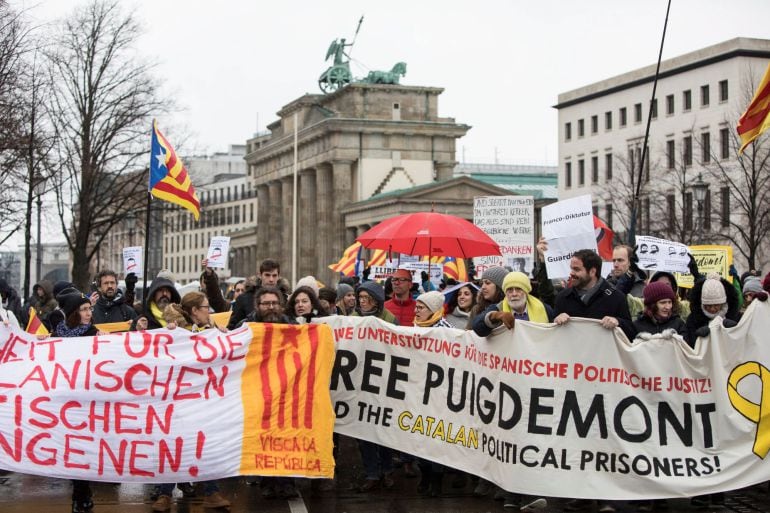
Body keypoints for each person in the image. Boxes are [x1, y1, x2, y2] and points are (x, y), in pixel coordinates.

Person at [151, 292, 231, 512]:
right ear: (195, 311)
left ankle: (211, 493)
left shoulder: (212, 331)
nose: (210, 311)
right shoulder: (174, 333)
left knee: (205, 446)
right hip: (176, 402)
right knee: (172, 445)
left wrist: (224, 336)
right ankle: (165, 494)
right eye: (206, 307)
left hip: (204, 402)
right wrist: (166, 335)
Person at [53, 290, 102, 513]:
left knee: (83, 447)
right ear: (73, 313)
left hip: (88, 400)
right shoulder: (58, 335)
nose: (88, 313)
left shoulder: (94, 334)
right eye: (83, 310)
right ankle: (81, 494)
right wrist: (41, 342)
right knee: (73, 448)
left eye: (89, 309)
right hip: (67, 401)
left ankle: (81, 494)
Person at [472, 271, 555, 337]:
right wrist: (495, 316)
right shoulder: (499, 308)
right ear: (505, 293)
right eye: (510, 290)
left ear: (526, 291)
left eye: (518, 289)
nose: (514, 294)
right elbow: (477, 328)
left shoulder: (543, 308)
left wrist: (559, 319)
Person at [684, 273, 742, 348]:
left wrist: (734, 329)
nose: (712, 309)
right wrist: (698, 337)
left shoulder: (737, 317)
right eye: (708, 306)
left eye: (716, 305)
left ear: (723, 303)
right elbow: (690, 347)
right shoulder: (693, 320)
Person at [229, 259, 283, 329]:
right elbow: (233, 328)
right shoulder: (244, 299)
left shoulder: (284, 299)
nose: (271, 279)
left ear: (278, 276)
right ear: (260, 275)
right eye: (267, 275)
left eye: (274, 275)